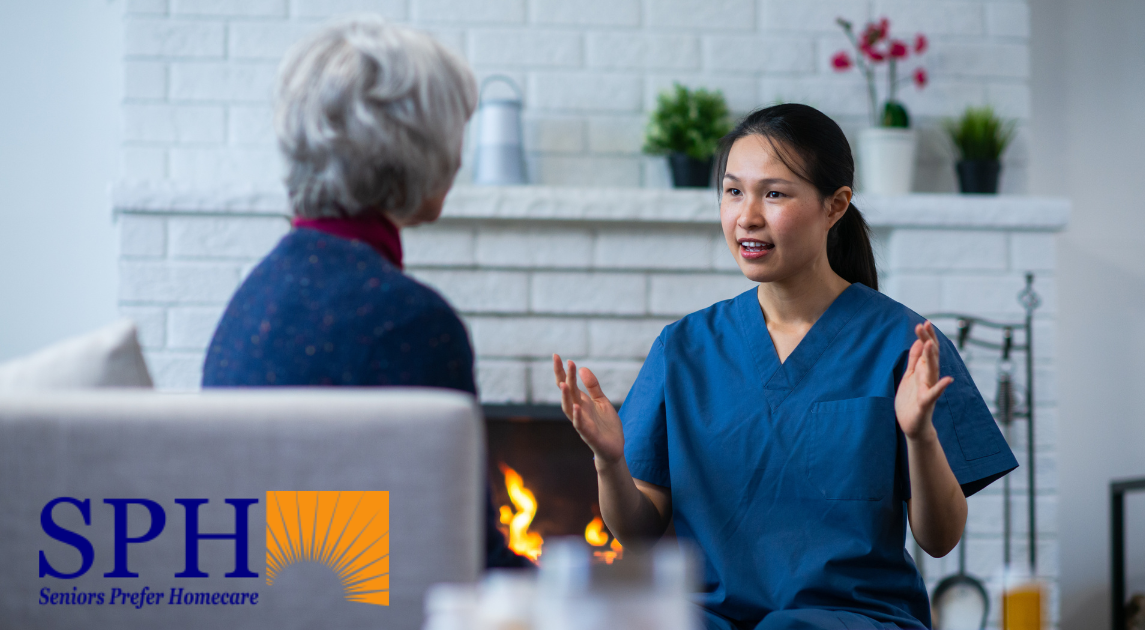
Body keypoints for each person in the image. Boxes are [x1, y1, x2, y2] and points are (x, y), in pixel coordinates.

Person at [553, 104, 1017, 629]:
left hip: (851, 618)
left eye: (773, 193)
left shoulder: (904, 347)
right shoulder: (683, 348)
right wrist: (610, 461)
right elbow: (638, 534)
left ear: (835, 206)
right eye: (733, 191)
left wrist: (919, 437)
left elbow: (939, 540)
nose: (747, 215)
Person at [201, 17, 529, 569]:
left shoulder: (251, 298)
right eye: (454, 134)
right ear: (412, 148)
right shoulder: (407, 320)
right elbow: (463, 557)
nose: (458, 159)